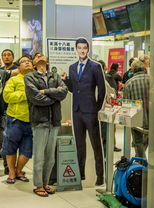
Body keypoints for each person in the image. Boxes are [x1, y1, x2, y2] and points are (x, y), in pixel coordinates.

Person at [61, 38, 105, 186]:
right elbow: (73, 89)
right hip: (77, 111)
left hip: (90, 111)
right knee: (80, 145)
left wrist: (97, 107)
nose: (82, 50)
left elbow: (102, 89)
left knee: (96, 144)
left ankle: (100, 176)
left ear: (88, 49)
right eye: (79, 48)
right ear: (76, 49)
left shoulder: (95, 66)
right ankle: (80, 174)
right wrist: (66, 81)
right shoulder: (72, 67)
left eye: (84, 48)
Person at [25, 53, 67, 197]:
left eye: (43, 55)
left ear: (47, 61)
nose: (40, 57)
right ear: (34, 62)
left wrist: (47, 91)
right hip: (40, 121)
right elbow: (35, 97)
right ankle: (38, 185)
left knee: (50, 157)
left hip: (54, 121)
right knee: (39, 156)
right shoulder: (29, 77)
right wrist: (54, 98)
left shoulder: (54, 76)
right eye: (37, 56)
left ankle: (45, 183)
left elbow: (64, 92)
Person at [1, 55, 34, 184]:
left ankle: (19, 170)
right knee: (10, 147)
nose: (26, 63)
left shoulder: (37, 79)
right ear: (19, 67)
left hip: (33, 120)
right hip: (14, 119)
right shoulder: (14, 80)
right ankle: (12, 172)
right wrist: (25, 94)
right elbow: (7, 96)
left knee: (27, 150)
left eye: (28, 62)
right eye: (23, 62)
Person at [123, 58, 149, 158]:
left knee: (138, 142)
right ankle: (141, 159)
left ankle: (141, 161)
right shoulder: (151, 80)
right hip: (151, 117)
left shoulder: (129, 83)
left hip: (136, 119)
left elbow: (126, 104)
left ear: (133, 70)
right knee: (147, 140)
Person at [98, 60, 121, 152]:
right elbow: (113, 93)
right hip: (103, 112)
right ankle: (104, 160)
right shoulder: (104, 79)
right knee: (105, 137)